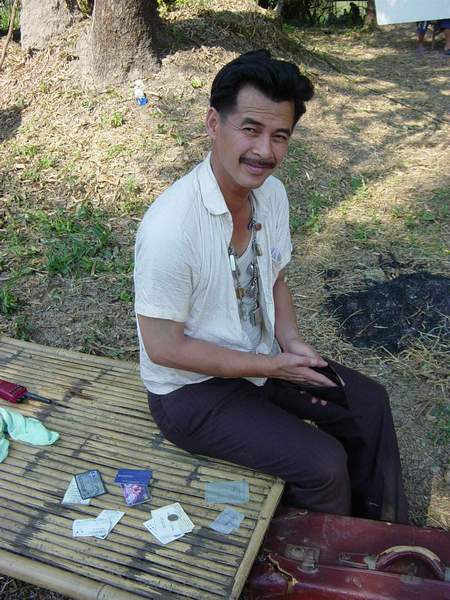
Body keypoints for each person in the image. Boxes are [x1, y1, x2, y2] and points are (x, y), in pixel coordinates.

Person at [134, 50, 409, 524]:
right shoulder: (170, 227)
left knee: (368, 404)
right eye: (251, 129)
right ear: (213, 124)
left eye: (279, 135)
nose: (265, 151)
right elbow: (164, 348)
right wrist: (269, 366)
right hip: (191, 394)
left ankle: (378, 532)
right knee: (322, 464)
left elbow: (275, 275)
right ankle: (323, 556)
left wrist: (291, 341)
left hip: (258, 360)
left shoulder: (270, 194)